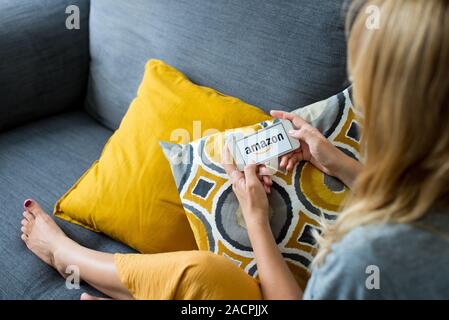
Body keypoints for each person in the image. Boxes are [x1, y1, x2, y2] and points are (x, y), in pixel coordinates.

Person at [20, 0, 449, 299]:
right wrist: (337, 162)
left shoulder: (365, 258)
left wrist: (256, 220)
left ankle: (67, 255)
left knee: (207, 277)